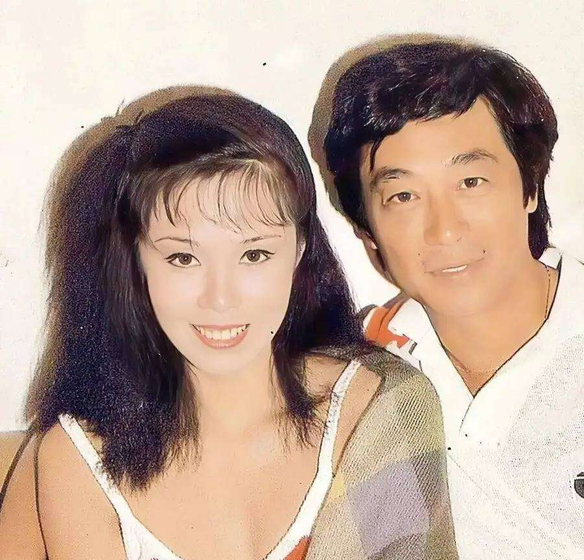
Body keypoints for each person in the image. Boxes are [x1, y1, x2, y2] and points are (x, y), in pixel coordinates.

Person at [0, 90, 457, 559]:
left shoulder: (382, 408)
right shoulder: (79, 458)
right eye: (183, 258)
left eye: (254, 254)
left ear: (299, 252)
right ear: (135, 264)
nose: (220, 298)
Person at [322, 39, 584, 559]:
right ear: (367, 231)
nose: (444, 229)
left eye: (470, 181)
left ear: (530, 188)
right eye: (403, 196)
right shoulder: (348, 373)